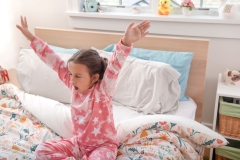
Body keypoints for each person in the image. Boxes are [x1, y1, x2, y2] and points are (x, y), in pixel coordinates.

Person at [16, 16, 150, 160]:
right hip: (79, 144)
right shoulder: (73, 85)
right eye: (70, 74)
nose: (72, 79)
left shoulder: (103, 90)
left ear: (94, 78)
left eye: (78, 76)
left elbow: (114, 66)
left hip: (104, 146)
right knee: (42, 150)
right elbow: (53, 60)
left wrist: (126, 42)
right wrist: (31, 37)